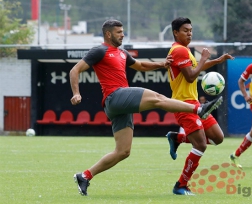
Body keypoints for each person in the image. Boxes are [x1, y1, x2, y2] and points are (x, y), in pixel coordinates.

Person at [70, 19, 223, 196]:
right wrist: (76, 93)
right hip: (115, 96)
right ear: (108, 34)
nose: (123, 34)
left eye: (122, 31)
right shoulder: (99, 50)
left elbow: (141, 65)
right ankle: (198, 110)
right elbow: (75, 70)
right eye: (119, 32)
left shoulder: (122, 53)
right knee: (158, 98)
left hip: (119, 106)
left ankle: (85, 176)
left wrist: (161, 64)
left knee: (123, 152)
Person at [164, 17, 234, 195]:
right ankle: (180, 185)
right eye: (185, 30)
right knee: (201, 145)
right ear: (175, 32)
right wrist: (203, 58)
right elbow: (190, 76)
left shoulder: (184, 50)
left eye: (191, 30)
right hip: (183, 105)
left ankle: (177, 138)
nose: (189, 33)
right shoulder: (179, 51)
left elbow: (195, 67)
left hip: (194, 103)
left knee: (218, 138)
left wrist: (215, 61)